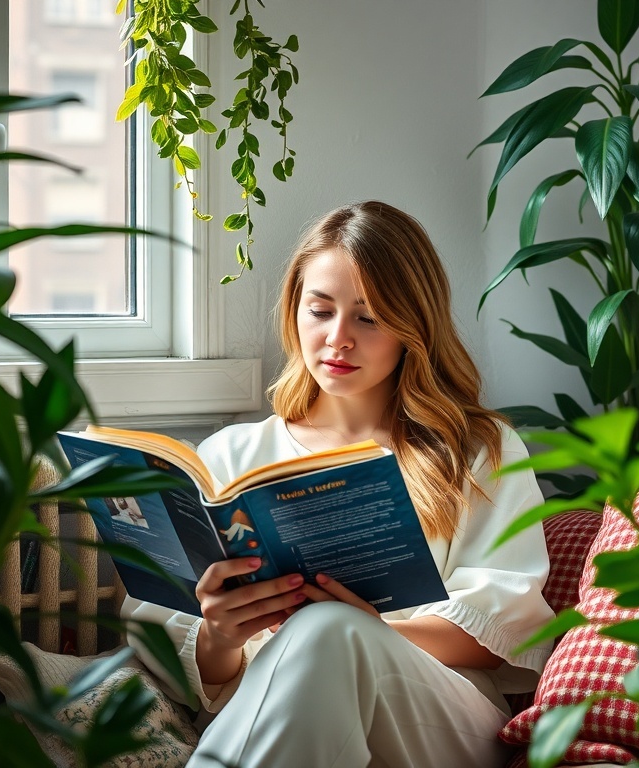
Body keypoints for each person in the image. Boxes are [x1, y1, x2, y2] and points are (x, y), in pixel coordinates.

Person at [123, 201, 554, 767]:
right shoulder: (233, 456)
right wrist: (220, 639)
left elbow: (503, 622)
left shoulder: (475, 448)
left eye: (368, 318)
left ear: (412, 327)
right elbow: (165, 631)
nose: (337, 339)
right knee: (321, 636)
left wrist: (364, 631)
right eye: (319, 311)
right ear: (294, 313)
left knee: (330, 628)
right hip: (277, 711)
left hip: (439, 719)